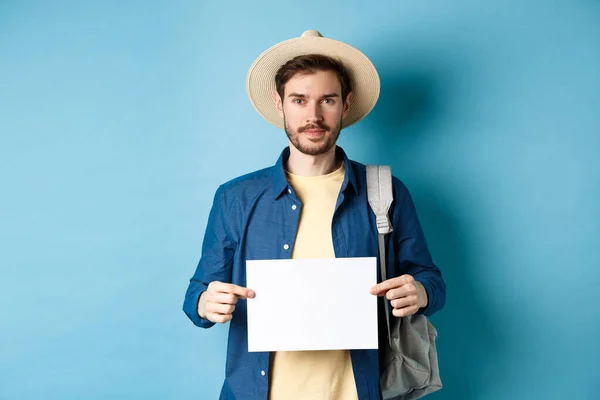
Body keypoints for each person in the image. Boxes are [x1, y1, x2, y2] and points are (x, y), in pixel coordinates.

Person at [183, 30, 446, 400]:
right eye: (299, 100)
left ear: (346, 104)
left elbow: (431, 282)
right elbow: (196, 295)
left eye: (327, 100)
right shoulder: (235, 198)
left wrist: (418, 292)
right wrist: (205, 302)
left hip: (358, 390)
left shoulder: (385, 191)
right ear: (280, 104)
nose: (313, 115)